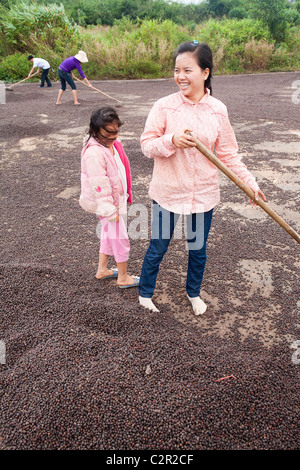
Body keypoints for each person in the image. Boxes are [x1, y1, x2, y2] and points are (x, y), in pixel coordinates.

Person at [138, 41, 266, 314]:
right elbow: (147, 146)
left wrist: (251, 186)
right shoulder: (165, 106)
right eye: (176, 70)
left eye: (187, 70)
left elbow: (229, 155)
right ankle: (145, 293)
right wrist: (171, 140)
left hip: (203, 194)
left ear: (205, 72)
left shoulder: (218, 109)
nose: (180, 77)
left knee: (197, 248)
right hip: (168, 191)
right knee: (159, 246)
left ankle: (193, 292)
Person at [79, 107, 139, 288]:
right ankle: (123, 277)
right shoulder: (94, 153)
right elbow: (99, 185)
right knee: (120, 238)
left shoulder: (111, 143)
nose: (113, 137)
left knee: (108, 234)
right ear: (95, 130)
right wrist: (110, 210)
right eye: (108, 133)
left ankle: (102, 270)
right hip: (109, 204)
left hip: (116, 198)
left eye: (116, 132)